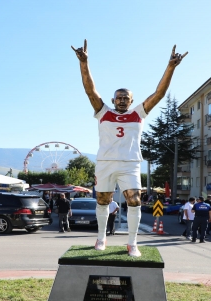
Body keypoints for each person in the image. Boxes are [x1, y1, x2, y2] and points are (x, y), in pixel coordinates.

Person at [72, 39, 187, 257]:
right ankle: (101, 238)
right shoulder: (103, 112)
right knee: (103, 200)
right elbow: (90, 90)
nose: (122, 100)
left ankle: (132, 243)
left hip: (130, 164)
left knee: (134, 200)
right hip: (105, 162)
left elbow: (159, 94)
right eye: (119, 98)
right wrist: (84, 63)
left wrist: (170, 67)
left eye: (126, 98)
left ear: (131, 100)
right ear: (113, 100)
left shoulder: (138, 113)